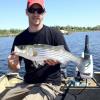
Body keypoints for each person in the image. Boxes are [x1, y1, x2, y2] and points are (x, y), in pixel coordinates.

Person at [1, 0, 69, 100]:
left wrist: (57, 60)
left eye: (39, 10)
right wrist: (13, 65)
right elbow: (15, 69)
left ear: (44, 13)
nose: (36, 13)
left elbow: (66, 57)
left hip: (50, 83)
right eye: (32, 10)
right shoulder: (19, 38)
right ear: (26, 12)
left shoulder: (55, 33)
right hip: (27, 83)